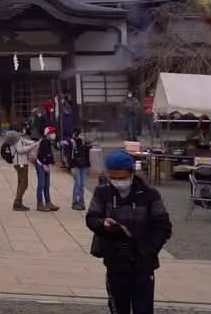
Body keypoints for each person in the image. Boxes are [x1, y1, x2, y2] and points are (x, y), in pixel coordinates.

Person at [86, 150, 173, 314]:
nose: (118, 182)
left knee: (143, 307)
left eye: (122, 177)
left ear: (132, 173)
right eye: (114, 178)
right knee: (118, 307)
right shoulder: (103, 192)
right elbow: (91, 218)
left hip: (143, 261)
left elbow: (163, 226)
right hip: (115, 258)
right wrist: (102, 224)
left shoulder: (149, 194)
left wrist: (148, 250)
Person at [5, 127, 36, 212]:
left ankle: (19, 202)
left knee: (22, 183)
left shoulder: (19, 138)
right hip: (20, 163)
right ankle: (17, 203)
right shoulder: (16, 139)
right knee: (23, 183)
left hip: (21, 162)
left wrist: (35, 142)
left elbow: (27, 142)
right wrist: (32, 146)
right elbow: (20, 150)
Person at [34, 126, 59, 212]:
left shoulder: (49, 142)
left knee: (47, 184)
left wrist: (50, 164)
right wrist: (44, 164)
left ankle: (48, 202)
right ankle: (40, 204)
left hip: (46, 165)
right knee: (41, 184)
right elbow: (41, 155)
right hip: (41, 164)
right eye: (51, 133)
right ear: (47, 134)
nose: (53, 134)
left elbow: (49, 155)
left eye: (53, 133)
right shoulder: (44, 142)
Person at [68, 129, 92, 210]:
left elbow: (87, 155)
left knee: (82, 184)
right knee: (77, 183)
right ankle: (76, 201)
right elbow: (70, 155)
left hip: (83, 165)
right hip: (76, 165)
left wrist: (88, 165)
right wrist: (71, 166)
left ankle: (81, 200)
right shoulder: (73, 142)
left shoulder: (86, 144)